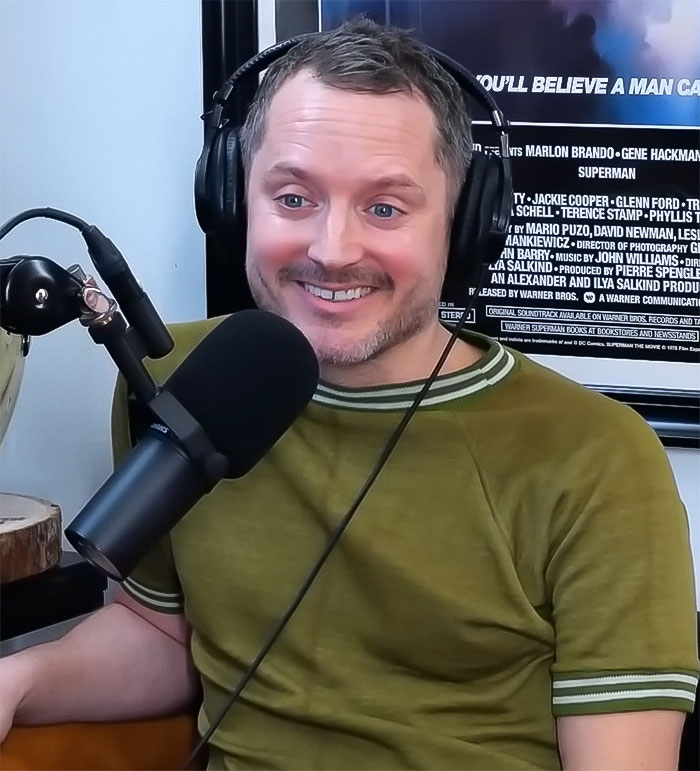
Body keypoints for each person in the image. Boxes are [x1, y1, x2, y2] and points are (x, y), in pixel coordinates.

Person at [1, 19, 697, 770]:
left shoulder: (595, 456)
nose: (333, 251)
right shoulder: (177, 380)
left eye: (385, 207)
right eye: (294, 197)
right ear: (232, 201)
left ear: (465, 225)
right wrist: (19, 679)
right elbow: (164, 634)